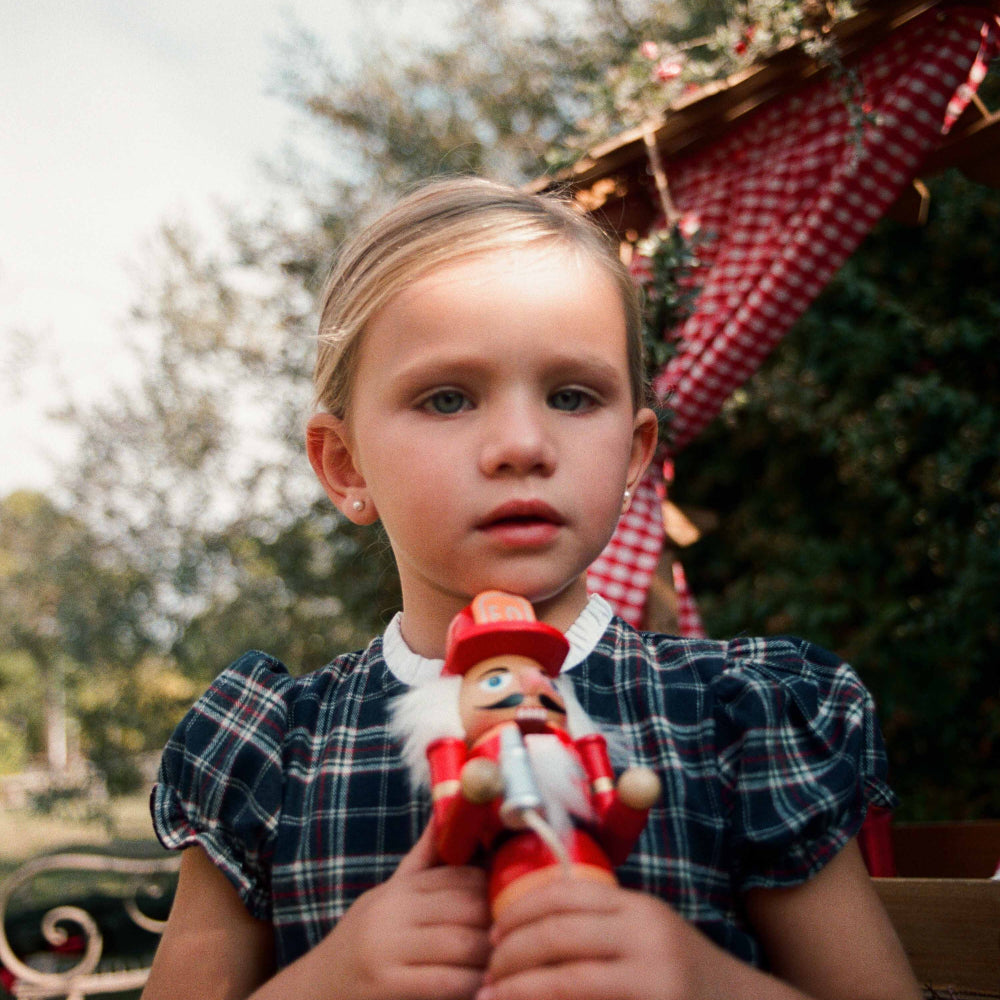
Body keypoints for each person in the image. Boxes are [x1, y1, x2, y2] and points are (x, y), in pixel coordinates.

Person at [142, 177, 922, 1000]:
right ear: (345, 465)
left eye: (572, 396)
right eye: (448, 398)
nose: (522, 444)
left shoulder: (739, 718)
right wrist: (327, 983)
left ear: (633, 452)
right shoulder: (271, 748)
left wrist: (707, 981)